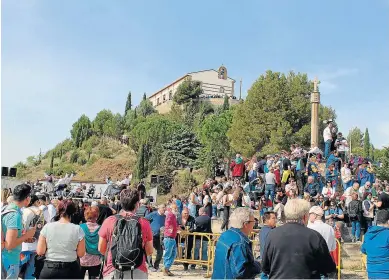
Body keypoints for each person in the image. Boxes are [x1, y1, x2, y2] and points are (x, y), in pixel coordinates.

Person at [261, 199, 336, 279]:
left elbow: (265, 267)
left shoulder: (272, 235)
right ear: (304, 216)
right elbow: (328, 267)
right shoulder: (314, 236)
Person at [98, 189, 153, 279]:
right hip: (137, 270)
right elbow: (149, 250)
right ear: (137, 204)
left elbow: (101, 248)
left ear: (121, 203)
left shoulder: (109, 221)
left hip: (113, 269)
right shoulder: (144, 223)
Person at [37, 200, 85, 279]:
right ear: (73, 212)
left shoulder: (47, 227)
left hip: (49, 268)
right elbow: (81, 253)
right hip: (70, 269)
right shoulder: (78, 229)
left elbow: (40, 251)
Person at [212, 207, 261, 279]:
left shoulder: (225, 234)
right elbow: (241, 272)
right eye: (253, 222)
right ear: (245, 224)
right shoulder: (239, 243)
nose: (254, 225)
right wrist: (258, 265)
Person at [1, 184, 36, 279]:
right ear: (27, 198)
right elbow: (9, 245)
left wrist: (24, 237)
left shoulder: (7, 209)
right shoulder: (14, 215)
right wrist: (27, 235)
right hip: (9, 261)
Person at [21, 194, 44, 279]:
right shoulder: (41, 212)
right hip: (36, 243)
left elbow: (23, 227)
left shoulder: (25, 211)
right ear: (36, 202)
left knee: (19, 266)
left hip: (24, 243)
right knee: (31, 269)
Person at [361, 210, 389, 279]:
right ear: (388, 221)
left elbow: (363, 250)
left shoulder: (368, 234)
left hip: (371, 273)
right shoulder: (387, 234)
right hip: (386, 273)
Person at [80, 206, 102, 279]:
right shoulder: (101, 228)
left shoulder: (80, 227)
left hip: (82, 259)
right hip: (95, 260)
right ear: (96, 216)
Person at [145, 204, 166, 272]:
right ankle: (150, 266)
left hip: (160, 236)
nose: (164, 209)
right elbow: (144, 219)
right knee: (150, 251)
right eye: (163, 207)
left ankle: (156, 265)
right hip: (151, 235)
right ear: (159, 208)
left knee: (160, 251)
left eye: (165, 207)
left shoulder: (164, 216)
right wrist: (148, 229)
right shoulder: (153, 214)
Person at [163, 203, 178, 276]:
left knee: (173, 254)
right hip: (169, 237)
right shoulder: (170, 214)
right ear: (171, 208)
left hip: (172, 237)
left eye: (176, 208)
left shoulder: (173, 215)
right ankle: (166, 269)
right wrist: (170, 228)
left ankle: (167, 268)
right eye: (175, 208)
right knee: (168, 254)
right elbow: (168, 223)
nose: (176, 209)